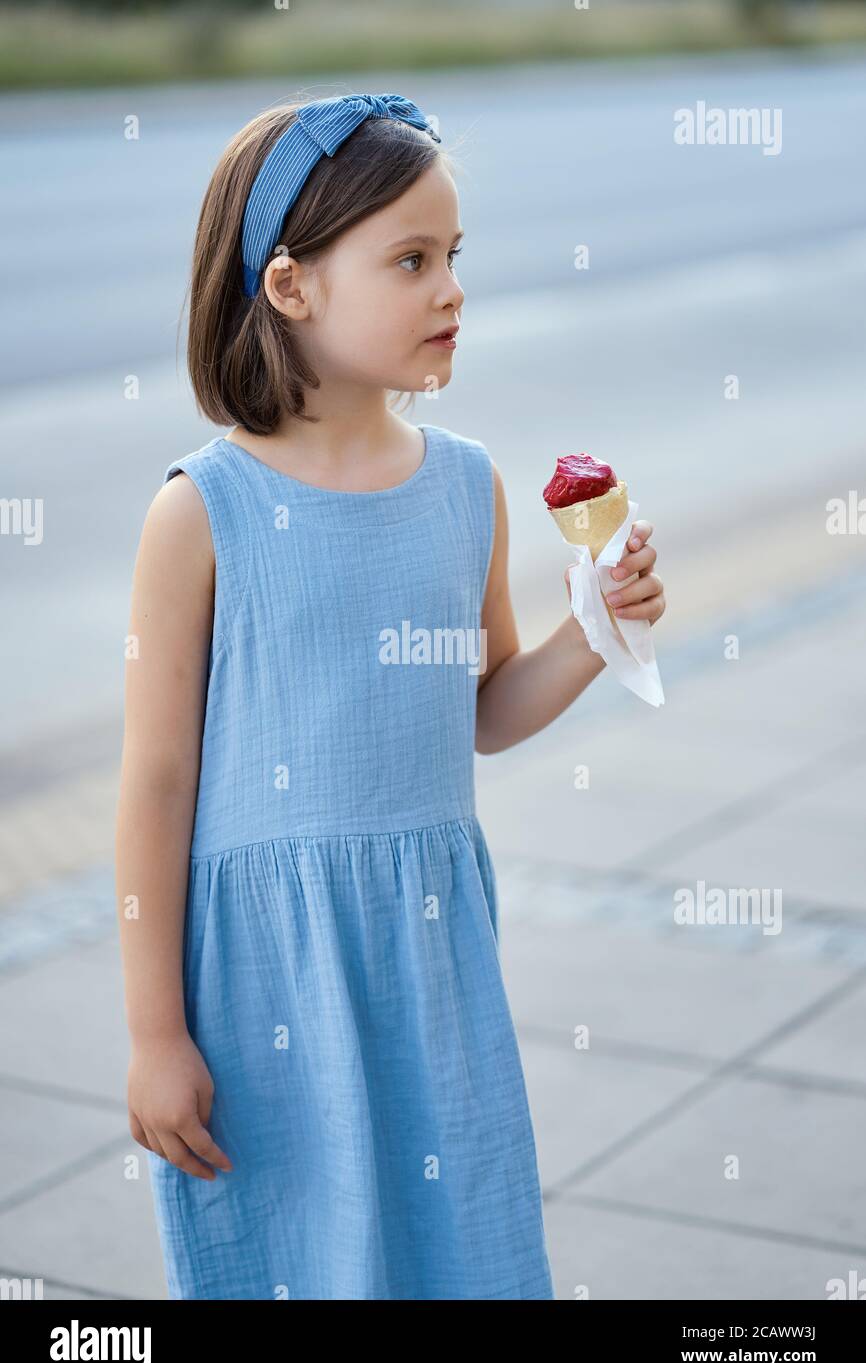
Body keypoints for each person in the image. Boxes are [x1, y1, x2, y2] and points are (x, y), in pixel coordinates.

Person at [115, 91, 665, 1301]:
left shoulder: (463, 485)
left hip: (427, 952)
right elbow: (154, 785)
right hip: (263, 969)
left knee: (454, 1238)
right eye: (409, 260)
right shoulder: (200, 512)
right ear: (290, 286)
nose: (450, 289)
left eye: (453, 257)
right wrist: (156, 1035)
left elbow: (483, 707)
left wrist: (593, 631)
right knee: (293, 1248)